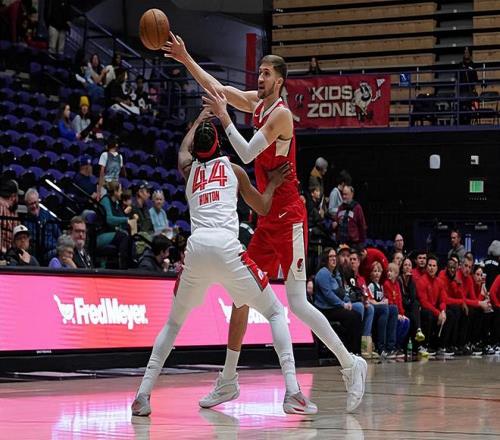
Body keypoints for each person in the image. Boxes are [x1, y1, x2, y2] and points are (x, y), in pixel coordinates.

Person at [164, 35, 367, 412]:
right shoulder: (258, 104)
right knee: (241, 296)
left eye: (266, 73)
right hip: (266, 218)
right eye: (258, 72)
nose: (260, 77)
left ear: (280, 80)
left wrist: (225, 117)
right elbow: (219, 89)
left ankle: (350, 363)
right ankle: (228, 380)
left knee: (297, 304)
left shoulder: (281, 115)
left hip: (289, 217)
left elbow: (244, 152)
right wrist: (185, 56)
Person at [131, 109, 318, 417]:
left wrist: (197, 120)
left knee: (173, 324)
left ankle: (142, 395)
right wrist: (272, 183)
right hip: (227, 249)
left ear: (196, 148)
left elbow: (182, 149)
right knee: (274, 311)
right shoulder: (234, 170)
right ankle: (293, 393)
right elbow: (263, 207)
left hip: (196, 252)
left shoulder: (188, 170)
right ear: (219, 143)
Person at [313, 247, 362, 354]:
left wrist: (347, 301)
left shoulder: (335, 274)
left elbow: (341, 292)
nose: (334, 259)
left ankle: (355, 351)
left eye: (335, 256)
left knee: (357, 315)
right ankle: (351, 350)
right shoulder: (323, 273)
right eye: (331, 256)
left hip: (335, 307)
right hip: (325, 308)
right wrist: (343, 304)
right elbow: (328, 295)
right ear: (325, 258)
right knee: (352, 317)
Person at [416, 255, 456, 356]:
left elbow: (443, 300)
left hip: (435, 310)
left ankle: (442, 346)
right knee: (428, 314)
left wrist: (442, 311)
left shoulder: (439, 282)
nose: (431, 268)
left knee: (450, 314)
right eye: (429, 265)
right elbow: (424, 302)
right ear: (426, 267)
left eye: (434, 266)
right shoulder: (421, 281)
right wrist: (438, 313)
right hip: (424, 310)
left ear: (437, 268)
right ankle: (423, 345)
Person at [98, 181, 134, 269]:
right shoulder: (105, 200)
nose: (121, 193)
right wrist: (126, 220)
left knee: (129, 236)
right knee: (123, 236)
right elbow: (109, 219)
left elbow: (120, 217)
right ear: (115, 192)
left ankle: (130, 265)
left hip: (111, 232)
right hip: (101, 234)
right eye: (120, 190)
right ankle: (122, 267)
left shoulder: (116, 203)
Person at [367, 261, 398, 358]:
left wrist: (385, 301)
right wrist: (381, 303)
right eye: (374, 271)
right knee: (385, 308)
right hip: (374, 308)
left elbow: (383, 298)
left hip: (381, 307)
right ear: (371, 273)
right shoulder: (371, 286)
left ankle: (391, 346)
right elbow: (370, 300)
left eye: (379, 271)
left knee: (394, 309)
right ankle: (381, 347)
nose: (377, 273)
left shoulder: (381, 286)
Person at [24, 187, 61, 263]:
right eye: (31, 204)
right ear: (27, 205)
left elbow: (58, 234)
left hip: (54, 249)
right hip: (40, 254)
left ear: (39, 201)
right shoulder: (26, 222)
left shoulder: (48, 215)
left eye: (35, 202)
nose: (34, 206)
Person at [398, 257, 426, 353]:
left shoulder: (412, 281)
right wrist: (409, 302)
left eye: (409, 265)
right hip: (402, 308)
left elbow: (413, 297)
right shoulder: (399, 280)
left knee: (416, 306)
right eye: (405, 265)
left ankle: (418, 336)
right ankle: (418, 340)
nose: (407, 267)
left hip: (410, 308)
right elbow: (401, 299)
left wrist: (410, 281)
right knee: (414, 312)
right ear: (402, 267)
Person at [383, 263, 410, 352]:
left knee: (407, 322)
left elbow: (399, 300)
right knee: (400, 322)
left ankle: (398, 344)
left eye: (391, 271)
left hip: (397, 311)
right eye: (388, 271)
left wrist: (402, 313)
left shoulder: (397, 284)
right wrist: (397, 314)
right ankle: (393, 345)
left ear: (396, 274)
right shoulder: (386, 284)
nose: (389, 273)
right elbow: (390, 300)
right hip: (391, 310)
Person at [97, 135, 125, 199]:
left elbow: (101, 174)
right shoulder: (120, 157)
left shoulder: (104, 155)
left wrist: (99, 191)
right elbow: (122, 173)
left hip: (107, 186)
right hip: (114, 186)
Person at [0, 178, 21, 254]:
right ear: (13, 196)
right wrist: (3, 251)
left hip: (11, 252)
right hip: (3, 252)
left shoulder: (13, 211)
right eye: (17, 196)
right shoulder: (1, 207)